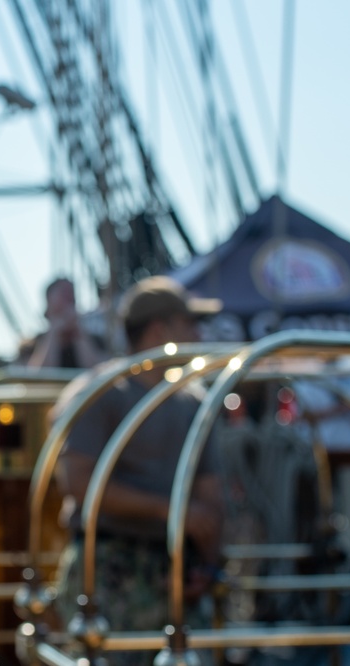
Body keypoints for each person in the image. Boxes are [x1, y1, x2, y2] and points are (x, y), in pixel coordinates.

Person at [53, 275, 224, 665]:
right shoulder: (102, 392)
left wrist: (206, 564)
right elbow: (77, 482)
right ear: (160, 329)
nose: (200, 333)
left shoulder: (196, 402)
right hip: (109, 570)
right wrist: (173, 511)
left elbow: (211, 493)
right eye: (190, 323)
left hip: (178, 569)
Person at [16, 277, 104, 369]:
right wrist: (54, 333)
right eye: (63, 295)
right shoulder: (30, 346)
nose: (69, 299)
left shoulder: (95, 341)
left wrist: (79, 334)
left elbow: (99, 373)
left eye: (71, 295)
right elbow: (37, 376)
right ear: (48, 305)